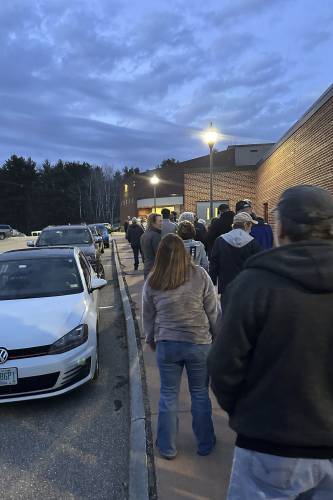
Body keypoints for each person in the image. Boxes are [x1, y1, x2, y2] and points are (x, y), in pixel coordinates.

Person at [208, 184, 333, 499]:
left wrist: (245, 413)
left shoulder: (254, 285)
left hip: (269, 443)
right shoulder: (254, 281)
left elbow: (223, 366)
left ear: (280, 227)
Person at [142, 234, 221, 459]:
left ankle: (167, 446)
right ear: (184, 252)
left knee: (168, 394)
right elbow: (213, 310)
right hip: (198, 342)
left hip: (167, 343)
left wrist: (150, 338)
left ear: (160, 254)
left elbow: (148, 314)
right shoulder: (200, 275)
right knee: (199, 393)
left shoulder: (153, 279)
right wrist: (217, 336)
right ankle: (205, 442)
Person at [210, 212, 261, 304]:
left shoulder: (220, 240)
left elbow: (214, 264)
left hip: (226, 287)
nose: (251, 228)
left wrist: (212, 282)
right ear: (246, 225)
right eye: (251, 225)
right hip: (246, 287)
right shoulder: (253, 243)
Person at [140, 213, 162, 279]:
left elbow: (143, 254)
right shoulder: (156, 236)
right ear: (153, 223)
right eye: (160, 221)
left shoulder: (144, 235)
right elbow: (159, 255)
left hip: (147, 268)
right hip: (156, 271)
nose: (162, 223)